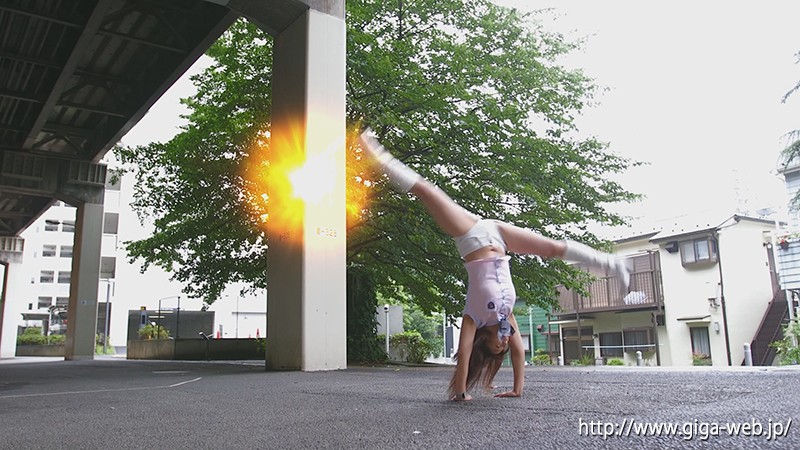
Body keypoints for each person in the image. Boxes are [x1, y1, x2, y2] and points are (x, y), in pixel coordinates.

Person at [358, 128, 630, 401]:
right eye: (504, 346)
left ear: (484, 342)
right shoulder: (507, 316)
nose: (503, 342)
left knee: (426, 191)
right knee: (552, 248)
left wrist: (461, 392)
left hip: (470, 235)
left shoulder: (472, 317)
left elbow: (464, 353)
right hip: (499, 237)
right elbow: (519, 352)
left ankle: (376, 156)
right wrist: (517, 389)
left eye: (497, 346)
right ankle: (610, 262)